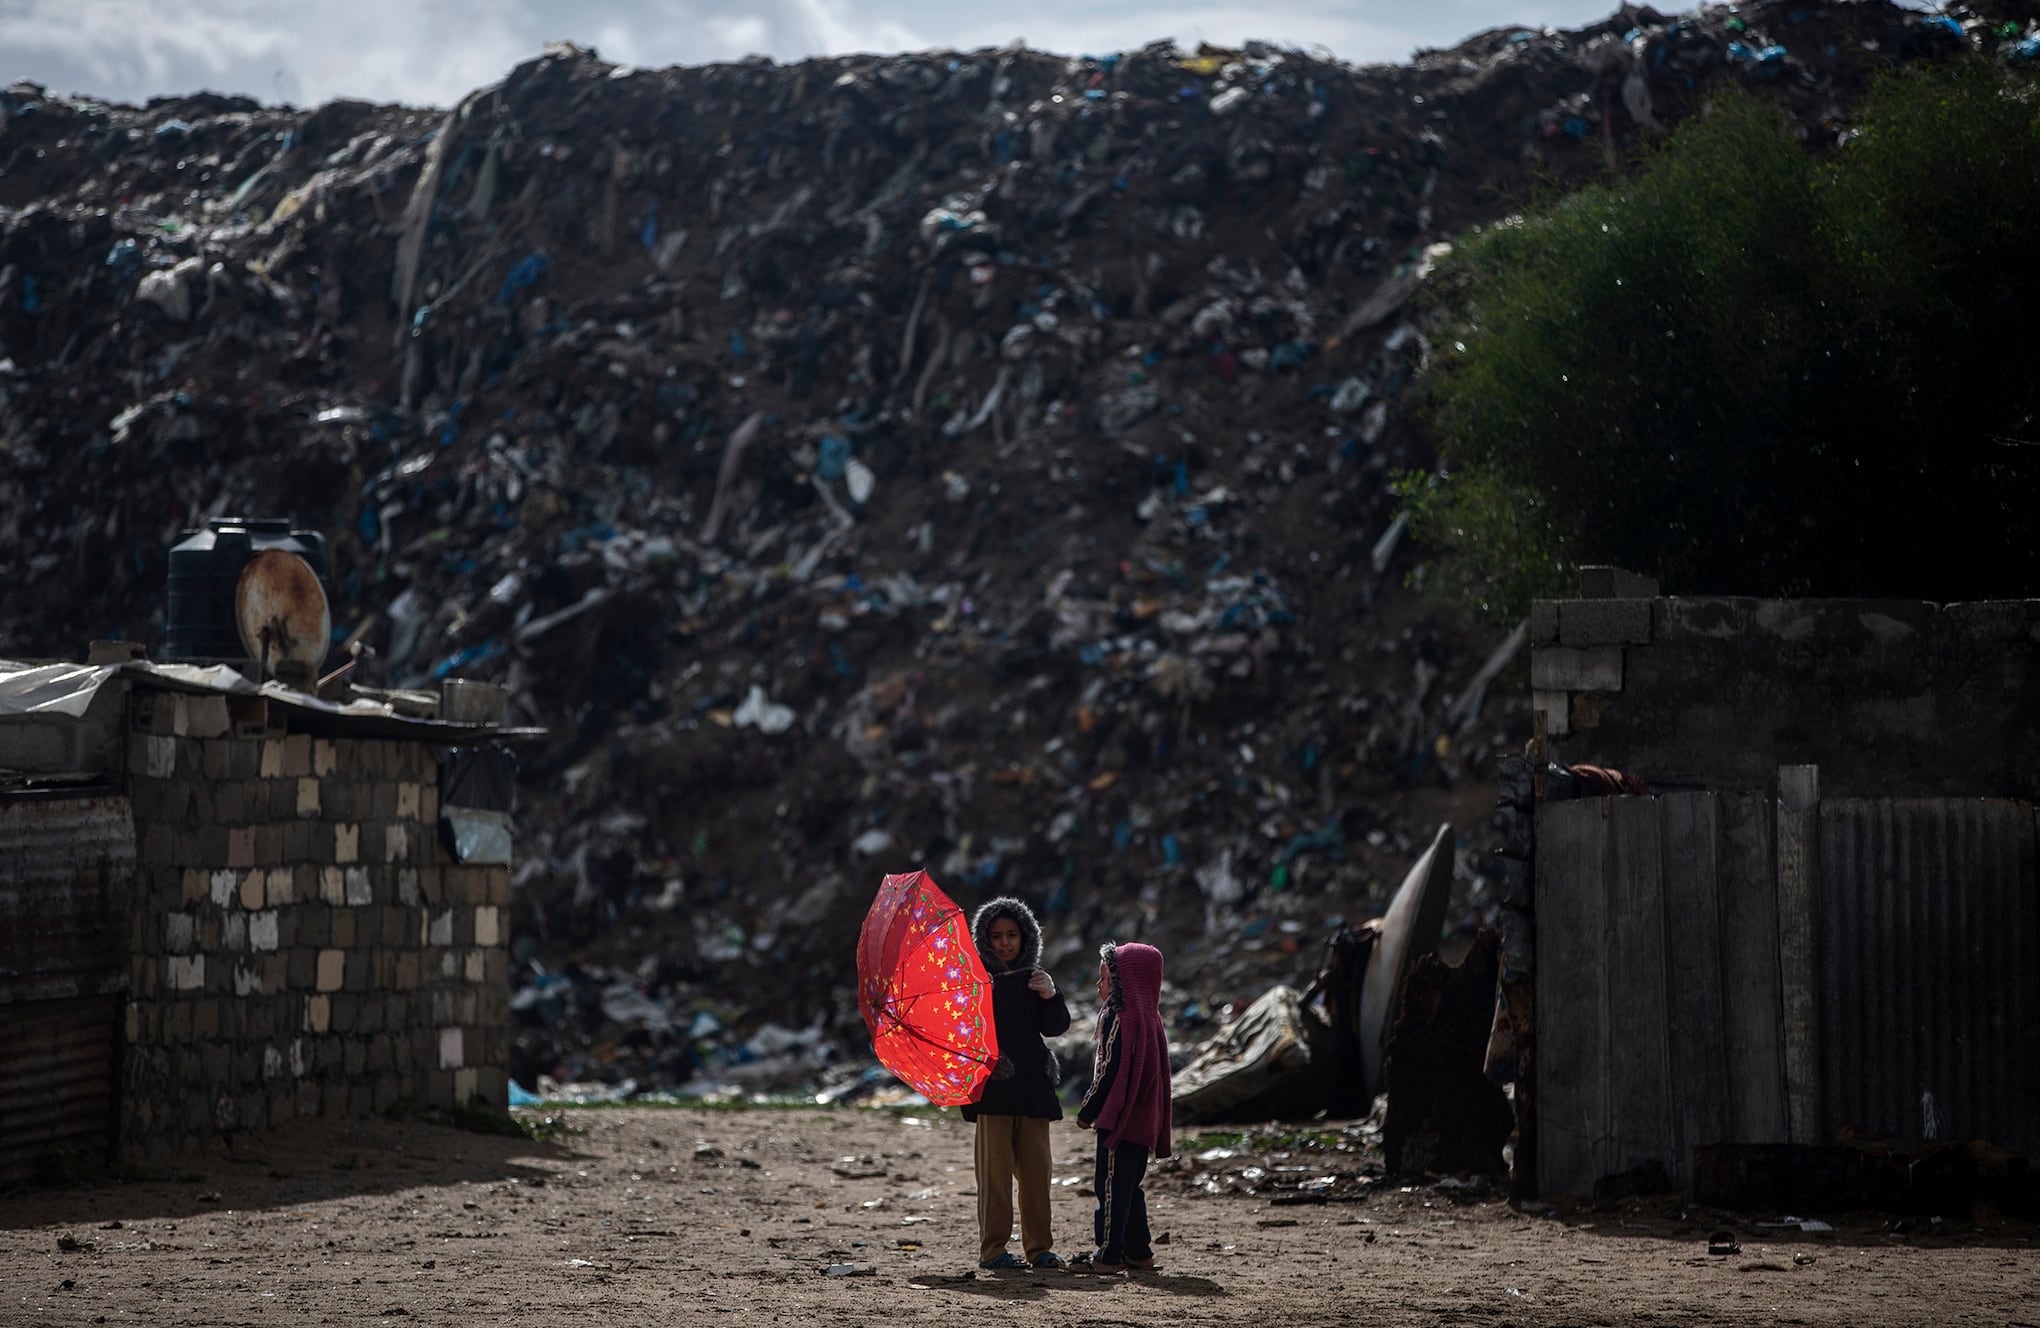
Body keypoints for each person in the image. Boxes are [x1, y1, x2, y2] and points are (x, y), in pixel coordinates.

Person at [960, 896, 1073, 1271]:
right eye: (996, 936)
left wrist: (1051, 995)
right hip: (993, 1091)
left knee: (1037, 1177)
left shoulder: (1034, 979)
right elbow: (963, 1034)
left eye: (1012, 935)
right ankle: (993, 1251)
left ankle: (1039, 1249)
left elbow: (1055, 1027)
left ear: (1027, 938)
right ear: (984, 941)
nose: (1005, 943)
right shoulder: (974, 983)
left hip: (1034, 1090)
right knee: (994, 1180)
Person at [1073, 941, 1172, 1273]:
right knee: (1130, 1187)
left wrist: (1088, 1111)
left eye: (1104, 978)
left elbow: (1108, 1071)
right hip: (1143, 1120)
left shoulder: (1119, 1018)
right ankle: (1139, 1251)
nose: (1099, 986)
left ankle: (1108, 1254)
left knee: (1110, 1186)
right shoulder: (1151, 1020)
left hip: (1119, 1120)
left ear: (1124, 981)